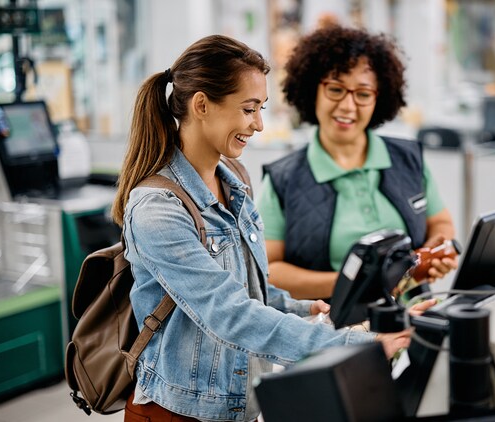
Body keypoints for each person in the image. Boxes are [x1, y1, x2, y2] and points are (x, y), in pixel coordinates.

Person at [112, 34, 422, 422]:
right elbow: (228, 313)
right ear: (202, 105)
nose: (258, 124)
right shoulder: (157, 208)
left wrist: (302, 307)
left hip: (239, 407)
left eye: (261, 108)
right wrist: (354, 343)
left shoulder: (235, 181)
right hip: (178, 412)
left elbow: (248, 289)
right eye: (248, 109)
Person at [258, 25, 458, 300]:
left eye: (363, 94)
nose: (348, 107)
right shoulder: (283, 180)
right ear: (311, 89)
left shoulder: (408, 159)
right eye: (336, 89)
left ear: (380, 97)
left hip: (415, 323)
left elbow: (441, 223)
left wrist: (436, 251)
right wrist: (354, 282)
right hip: (334, 333)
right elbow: (268, 270)